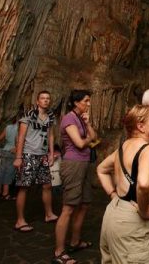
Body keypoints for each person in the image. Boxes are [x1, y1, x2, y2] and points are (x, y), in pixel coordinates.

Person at [97, 105, 149, 264]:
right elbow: (144, 183)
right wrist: (143, 209)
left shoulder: (123, 146)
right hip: (131, 220)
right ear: (141, 126)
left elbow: (101, 169)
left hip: (113, 213)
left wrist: (113, 195)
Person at [53, 90, 97, 264]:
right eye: (86, 101)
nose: (88, 104)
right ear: (76, 103)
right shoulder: (68, 119)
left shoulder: (80, 119)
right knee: (69, 208)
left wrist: (87, 126)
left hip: (85, 164)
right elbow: (79, 143)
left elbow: (94, 137)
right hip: (73, 165)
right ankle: (59, 252)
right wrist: (87, 137)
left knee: (84, 204)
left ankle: (75, 242)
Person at [13, 91, 58, 232]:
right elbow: (21, 137)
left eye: (48, 98)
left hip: (42, 156)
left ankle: (49, 214)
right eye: (43, 98)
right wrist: (19, 157)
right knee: (24, 187)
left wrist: (51, 153)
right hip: (28, 154)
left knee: (47, 185)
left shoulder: (50, 117)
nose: (45, 100)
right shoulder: (28, 115)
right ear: (37, 101)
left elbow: (51, 136)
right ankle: (20, 221)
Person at [0, 116, 19, 200]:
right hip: (13, 153)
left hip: (4, 151)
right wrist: (17, 148)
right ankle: (5, 194)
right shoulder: (20, 129)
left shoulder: (8, 127)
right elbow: (18, 141)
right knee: (9, 172)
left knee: (1, 171)